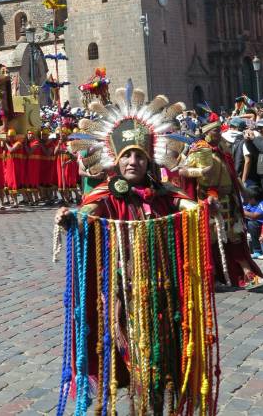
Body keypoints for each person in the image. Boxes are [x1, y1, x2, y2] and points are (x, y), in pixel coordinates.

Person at [56, 89, 197, 414]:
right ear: (115, 160)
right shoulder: (106, 195)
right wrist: (70, 220)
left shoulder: (165, 194)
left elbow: (190, 208)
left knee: (165, 368)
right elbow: (86, 215)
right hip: (123, 298)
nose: (133, 162)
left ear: (149, 160)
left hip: (164, 296)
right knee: (135, 366)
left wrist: (203, 210)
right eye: (127, 156)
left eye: (139, 156)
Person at [180, 112, 263, 289]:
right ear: (207, 132)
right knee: (212, 240)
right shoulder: (199, 149)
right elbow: (183, 171)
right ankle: (215, 276)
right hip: (208, 201)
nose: (219, 133)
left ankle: (246, 273)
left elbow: (233, 174)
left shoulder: (223, 148)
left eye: (220, 130)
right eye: (216, 131)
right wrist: (200, 172)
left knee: (235, 238)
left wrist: (243, 191)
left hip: (229, 199)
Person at [243, 188, 263, 259]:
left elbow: (255, 216)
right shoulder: (249, 204)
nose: (246, 200)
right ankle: (247, 250)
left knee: (251, 224)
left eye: (247, 198)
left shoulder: (261, 204)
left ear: (253, 199)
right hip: (256, 227)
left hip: (261, 227)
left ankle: (258, 250)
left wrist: (241, 210)